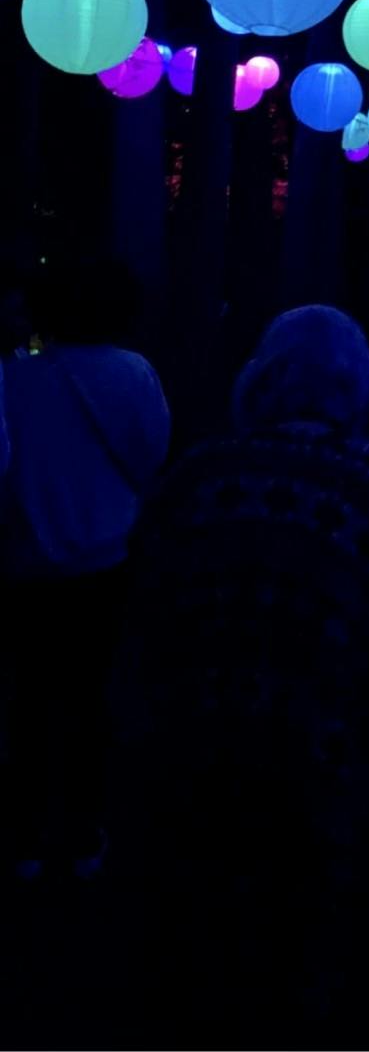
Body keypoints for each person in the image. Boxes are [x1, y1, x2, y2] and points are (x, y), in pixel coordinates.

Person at [111, 304, 369, 1046]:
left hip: (195, 766)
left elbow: (139, 616)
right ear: (358, 386)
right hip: (337, 776)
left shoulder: (199, 474)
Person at [0, 254, 170, 879]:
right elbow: (151, 455)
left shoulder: (14, 378)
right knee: (90, 694)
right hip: (106, 558)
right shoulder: (133, 373)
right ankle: (80, 827)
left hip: (23, 559)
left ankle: (21, 829)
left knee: (29, 695)